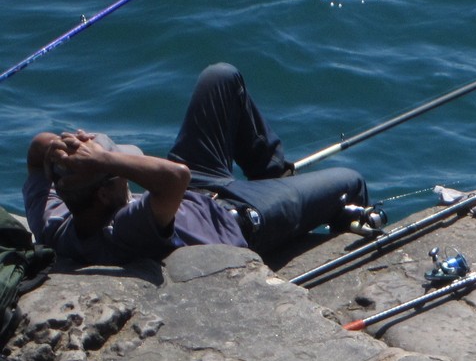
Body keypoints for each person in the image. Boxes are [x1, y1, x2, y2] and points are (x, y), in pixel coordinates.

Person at [24, 63, 376, 266]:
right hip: (238, 214)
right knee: (350, 181)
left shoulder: (58, 223)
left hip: (197, 189)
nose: (128, 177)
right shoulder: (124, 229)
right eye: (121, 172)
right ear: (103, 194)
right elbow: (177, 178)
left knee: (221, 78)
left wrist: (61, 147)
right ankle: (290, 204)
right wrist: (102, 157)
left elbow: (35, 155)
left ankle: (274, 176)